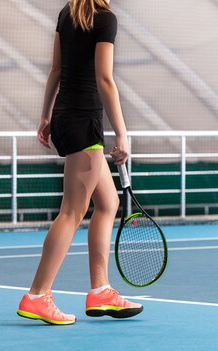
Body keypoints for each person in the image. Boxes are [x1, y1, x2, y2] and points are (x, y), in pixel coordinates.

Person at [17, 0, 142, 325]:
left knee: (108, 202)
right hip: (84, 120)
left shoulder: (66, 15)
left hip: (64, 117)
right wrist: (122, 133)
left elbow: (56, 70)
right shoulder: (105, 19)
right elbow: (105, 79)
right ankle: (37, 296)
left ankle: (100, 290)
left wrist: (46, 116)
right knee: (71, 212)